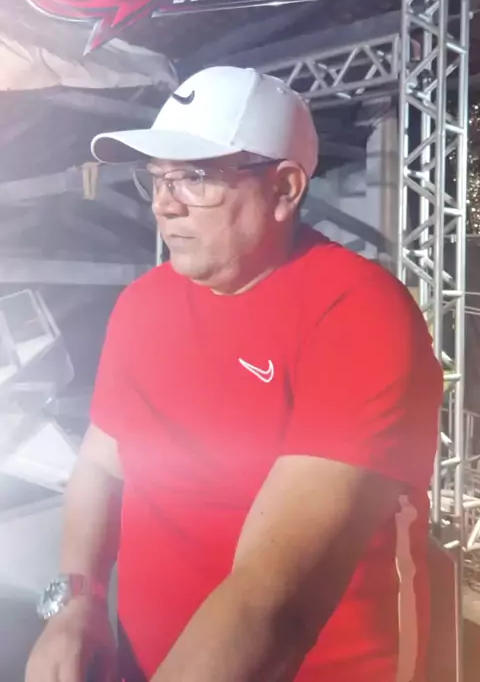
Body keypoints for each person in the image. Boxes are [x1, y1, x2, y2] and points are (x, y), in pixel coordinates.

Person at [25, 65, 443, 682]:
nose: (164, 204)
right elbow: (100, 464)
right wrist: (78, 599)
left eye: (195, 178)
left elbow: (273, 602)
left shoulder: (358, 313)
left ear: (284, 189)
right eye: (157, 177)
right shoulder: (143, 305)